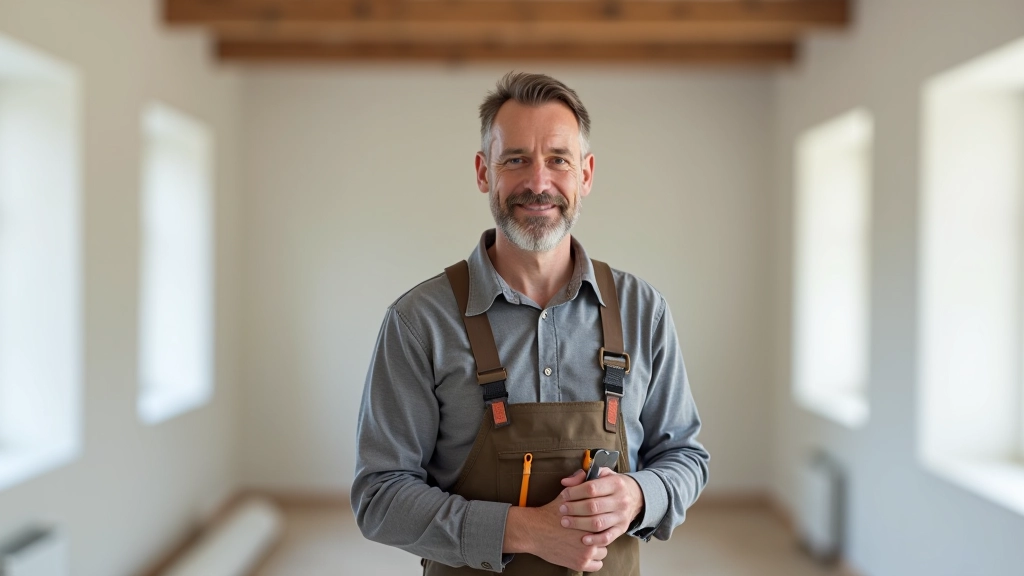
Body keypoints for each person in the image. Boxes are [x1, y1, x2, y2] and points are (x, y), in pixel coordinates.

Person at [352, 72, 709, 575]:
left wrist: (637, 495)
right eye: (515, 159)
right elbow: (379, 496)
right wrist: (524, 531)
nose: (538, 183)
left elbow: (686, 457)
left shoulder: (642, 310)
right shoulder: (418, 322)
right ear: (483, 172)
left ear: (585, 175)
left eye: (558, 160)